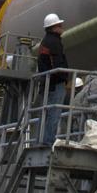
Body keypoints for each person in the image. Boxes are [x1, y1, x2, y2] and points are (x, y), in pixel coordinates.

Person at [37, 12, 68, 147]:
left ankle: (41, 140)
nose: (62, 27)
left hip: (48, 83)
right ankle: (48, 141)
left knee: (46, 113)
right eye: (60, 25)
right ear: (54, 27)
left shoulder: (46, 41)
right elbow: (57, 63)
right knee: (53, 114)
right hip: (55, 84)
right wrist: (64, 77)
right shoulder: (54, 42)